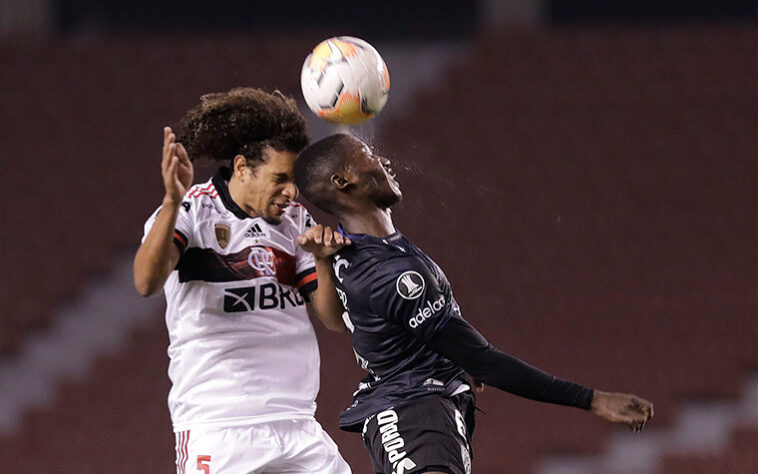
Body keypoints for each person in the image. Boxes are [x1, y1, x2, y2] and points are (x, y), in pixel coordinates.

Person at [293, 133, 654, 474]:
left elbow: (336, 321)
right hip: (413, 407)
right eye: (369, 156)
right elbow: (485, 361)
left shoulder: (348, 245)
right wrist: (593, 400)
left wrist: (322, 261)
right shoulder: (395, 275)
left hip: (423, 402)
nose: (384, 160)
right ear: (343, 182)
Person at [133, 88, 351, 474]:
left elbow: (333, 320)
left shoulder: (296, 222)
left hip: (297, 423)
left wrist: (321, 260)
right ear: (242, 167)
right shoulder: (192, 211)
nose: (292, 191)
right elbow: (147, 282)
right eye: (280, 178)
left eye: (296, 179)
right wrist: (170, 200)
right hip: (220, 426)